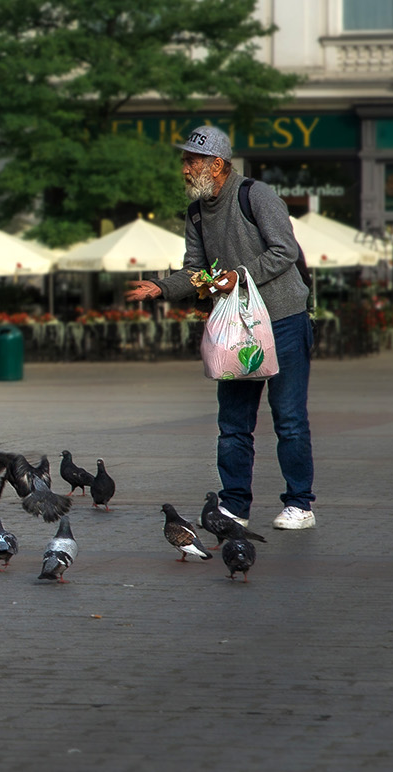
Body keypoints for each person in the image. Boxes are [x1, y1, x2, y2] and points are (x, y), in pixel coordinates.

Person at [125, 125, 316, 531]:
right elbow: (195, 270)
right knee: (233, 424)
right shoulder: (196, 212)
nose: (184, 169)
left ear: (216, 164)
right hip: (236, 326)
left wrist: (239, 276)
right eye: (184, 161)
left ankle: (300, 504)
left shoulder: (255, 195)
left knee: (289, 419)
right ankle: (234, 506)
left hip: (282, 319)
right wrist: (162, 287)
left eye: (191, 161)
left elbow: (284, 250)